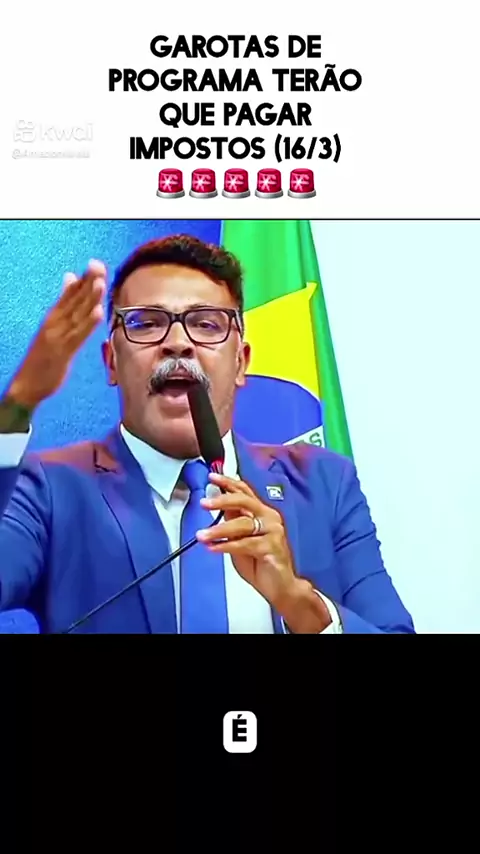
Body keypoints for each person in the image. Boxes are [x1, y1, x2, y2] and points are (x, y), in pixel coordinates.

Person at [0, 234, 414, 634]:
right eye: (147, 323)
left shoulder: (324, 484)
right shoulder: (49, 487)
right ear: (111, 362)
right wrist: (17, 402)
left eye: (206, 324)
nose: (178, 343)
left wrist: (298, 601)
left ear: (241, 362)